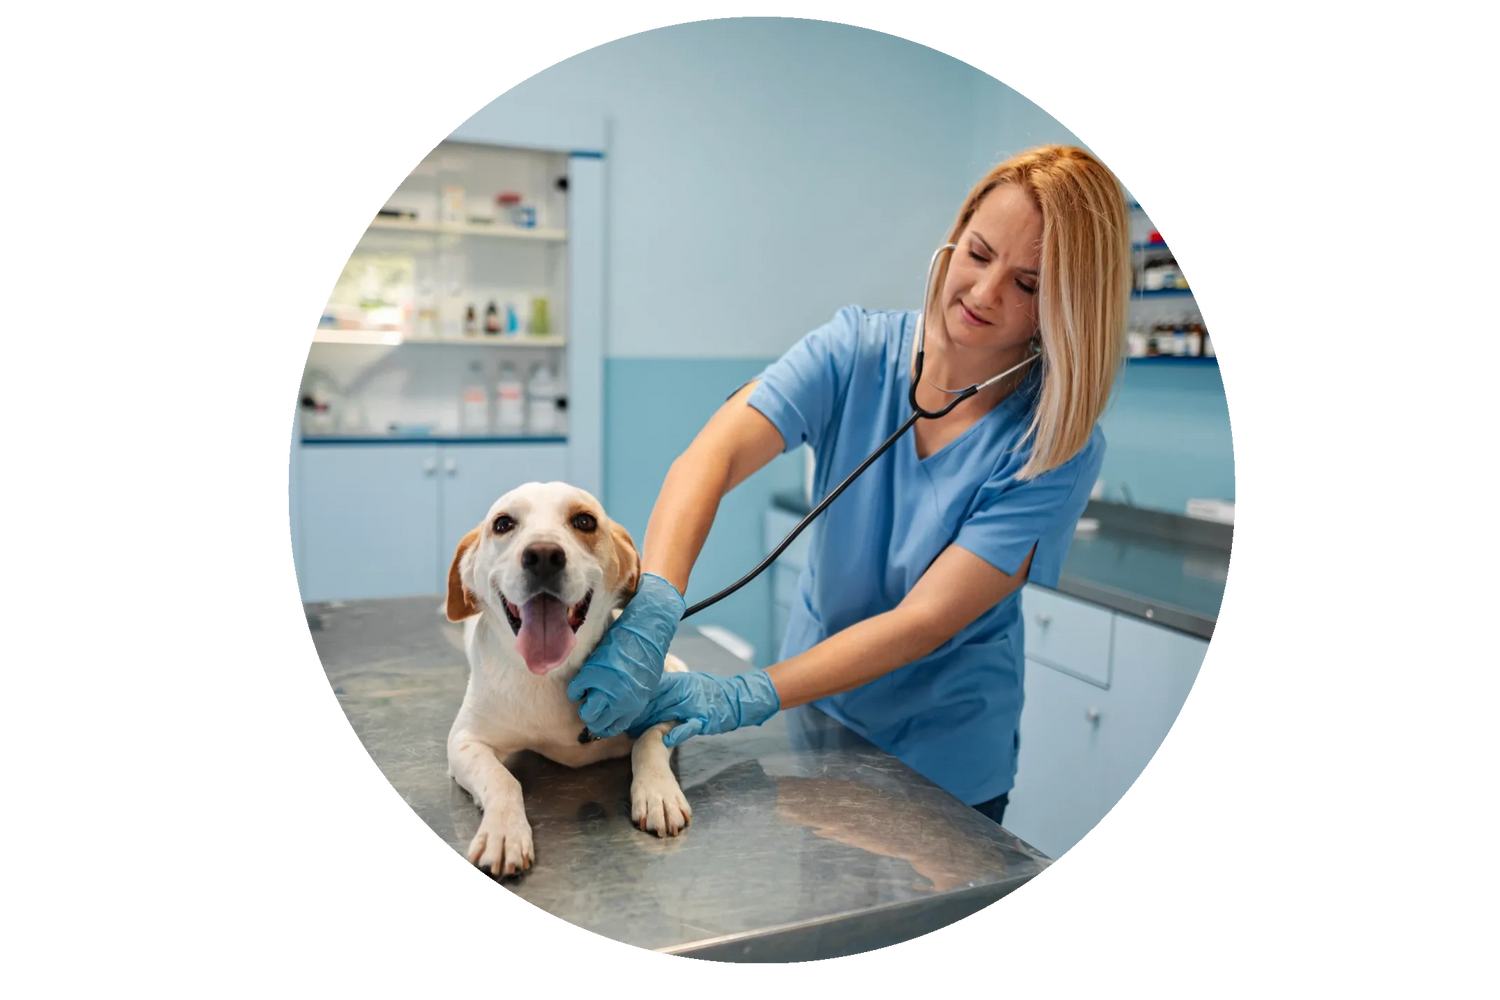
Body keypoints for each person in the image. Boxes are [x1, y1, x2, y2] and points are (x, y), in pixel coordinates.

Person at [567, 144, 1130, 826]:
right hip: (816, 726)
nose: (985, 293)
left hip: (945, 763)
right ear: (953, 241)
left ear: (1066, 306)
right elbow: (707, 461)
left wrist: (748, 692)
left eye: (1029, 284)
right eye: (979, 255)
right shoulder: (854, 351)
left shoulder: (1053, 443)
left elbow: (922, 622)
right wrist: (656, 603)